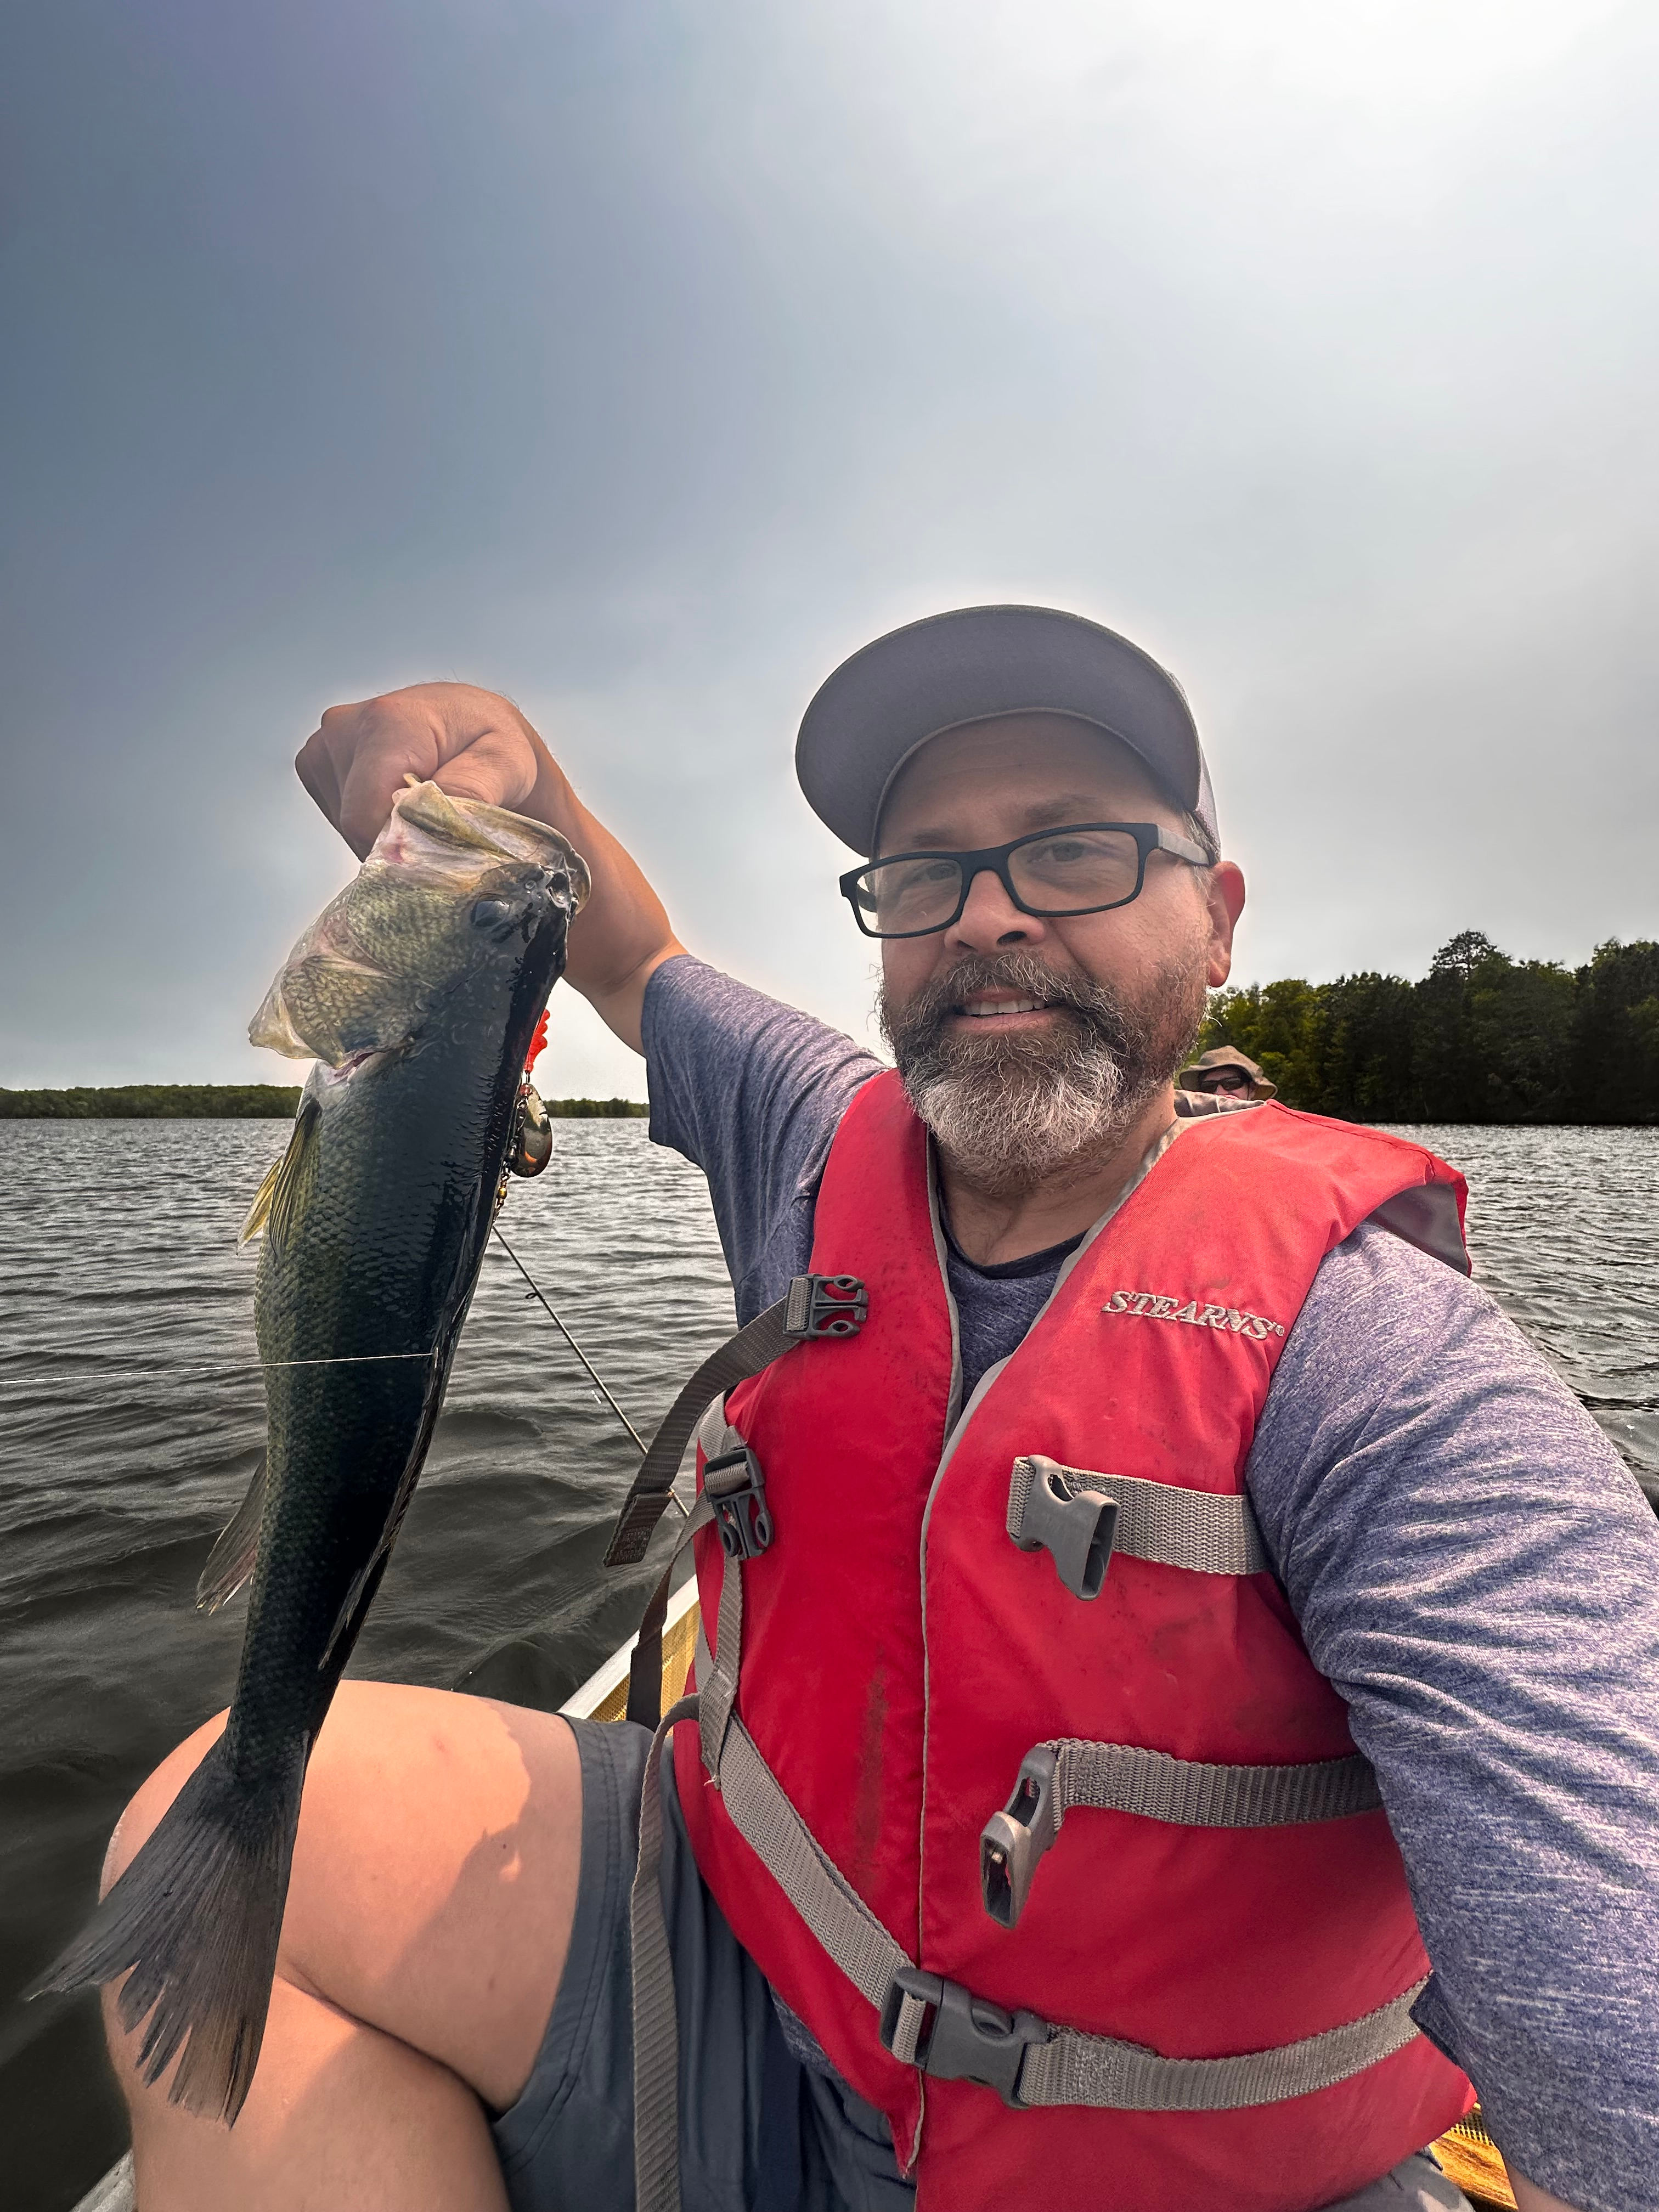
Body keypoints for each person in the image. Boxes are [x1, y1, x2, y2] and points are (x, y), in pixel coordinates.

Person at [99, 607, 1659, 2212]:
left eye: (1075, 854)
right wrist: (488, 751)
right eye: (928, 872)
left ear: (1220, 924)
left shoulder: (1405, 1387)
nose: (990, 917)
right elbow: (627, 955)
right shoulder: (809, 1135)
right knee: (193, 1824)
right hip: (755, 1990)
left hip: (1177, 2176)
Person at [1177, 1044, 1278, 1104]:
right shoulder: (1187, 1130)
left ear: (1252, 1089)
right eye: (1209, 1087)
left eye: (1231, 1083)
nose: (1220, 1093)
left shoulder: (1272, 1128)